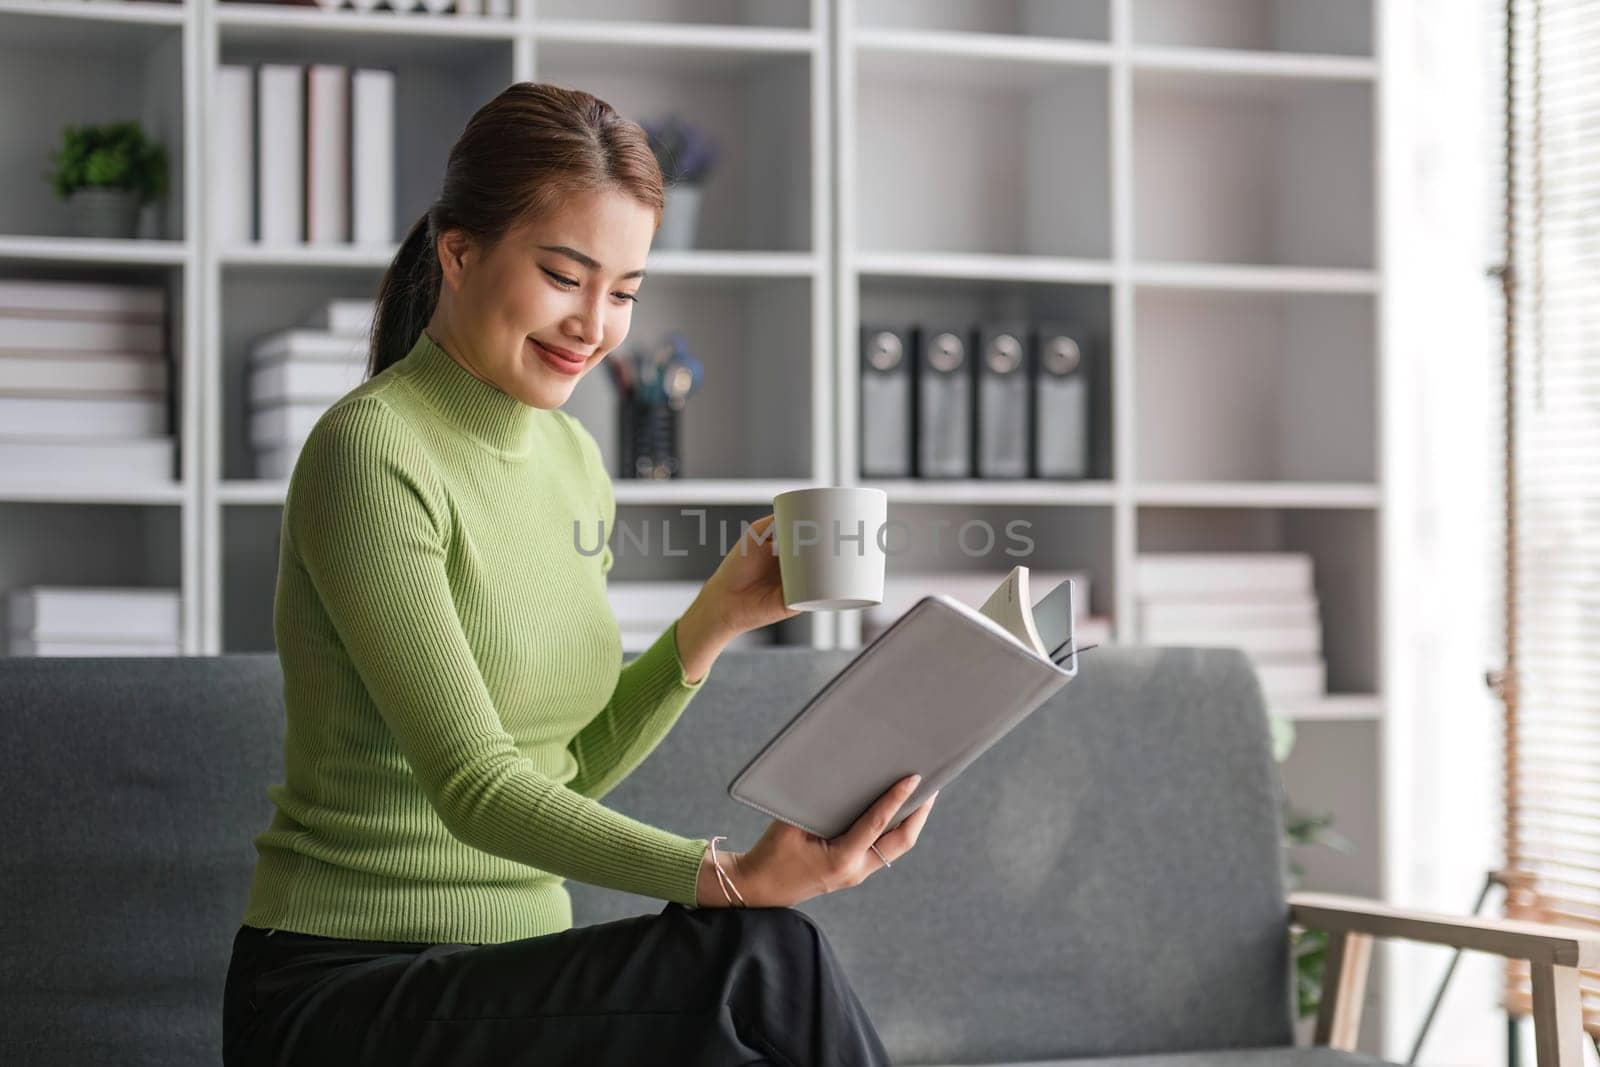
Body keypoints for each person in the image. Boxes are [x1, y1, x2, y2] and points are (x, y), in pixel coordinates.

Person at [220, 81, 938, 1067]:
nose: (594, 325)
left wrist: (716, 618)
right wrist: (722, 876)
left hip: (510, 983)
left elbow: (559, 771)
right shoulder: (372, 452)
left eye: (626, 292)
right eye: (564, 275)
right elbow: (475, 787)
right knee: (760, 955)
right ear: (460, 252)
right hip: (343, 986)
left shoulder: (571, 461)